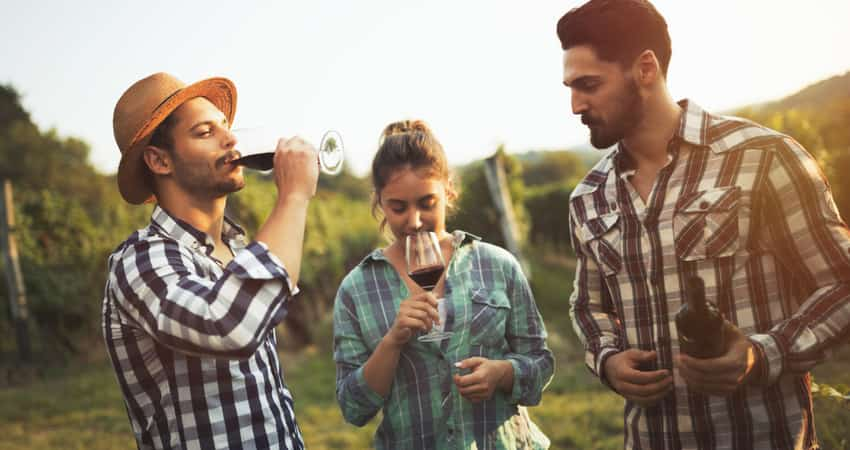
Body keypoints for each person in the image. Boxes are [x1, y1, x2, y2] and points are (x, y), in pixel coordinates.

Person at [559, 1, 850, 449]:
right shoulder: (588, 197)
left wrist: (760, 354)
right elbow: (588, 305)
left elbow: (842, 284)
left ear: (646, 68)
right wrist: (607, 359)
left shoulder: (762, 158)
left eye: (589, 85)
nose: (576, 104)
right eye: (571, 88)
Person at [103, 72, 318, 449]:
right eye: (205, 132)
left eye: (225, 126)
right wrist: (294, 197)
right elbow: (228, 326)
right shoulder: (140, 261)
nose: (231, 139)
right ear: (159, 160)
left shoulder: (237, 251)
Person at [332, 120, 554, 449]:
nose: (414, 220)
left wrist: (502, 373)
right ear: (379, 201)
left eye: (426, 203)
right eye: (398, 207)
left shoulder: (497, 264)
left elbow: (540, 361)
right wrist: (393, 341)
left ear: (448, 190)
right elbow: (354, 407)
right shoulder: (356, 289)